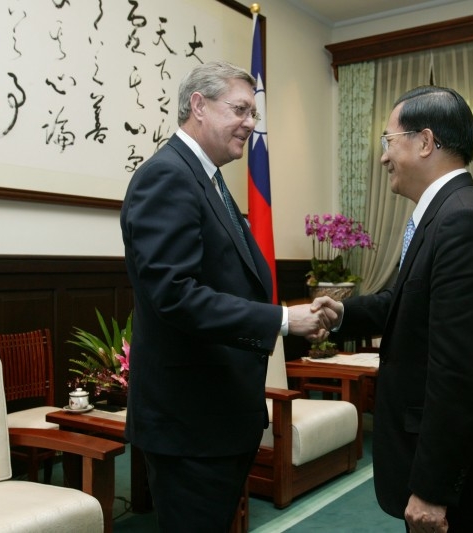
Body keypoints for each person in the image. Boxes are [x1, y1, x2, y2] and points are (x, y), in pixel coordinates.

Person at [315, 86, 473, 533]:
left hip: (463, 478)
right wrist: (342, 314)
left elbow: (460, 370)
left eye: (388, 142)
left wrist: (433, 488)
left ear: (424, 141)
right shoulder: (443, 212)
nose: (383, 158)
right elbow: (406, 301)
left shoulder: (463, 220)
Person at [120, 60, 331, 531]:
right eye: (240, 110)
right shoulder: (168, 176)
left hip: (216, 415)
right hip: (189, 420)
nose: (251, 125)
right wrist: (282, 320)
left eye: (254, 114)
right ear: (198, 105)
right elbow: (174, 294)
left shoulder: (208, 179)